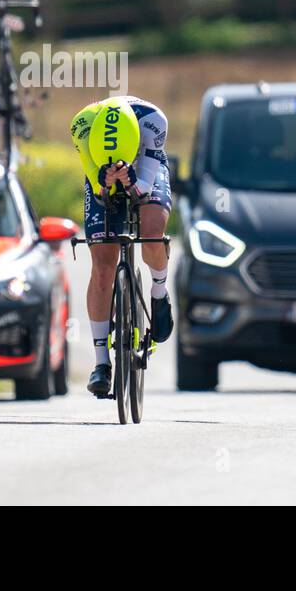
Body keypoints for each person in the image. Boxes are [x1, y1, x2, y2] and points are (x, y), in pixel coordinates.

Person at [69, 95, 172, 397]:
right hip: (101, 169)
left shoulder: (154, 121)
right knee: (102, 266)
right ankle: (101, 363)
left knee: (152, 234)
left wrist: (130, 183)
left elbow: (143, 190)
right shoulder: (82, 127)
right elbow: (99, 189)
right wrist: (104, 182)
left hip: (145, 167)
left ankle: (159, 290)